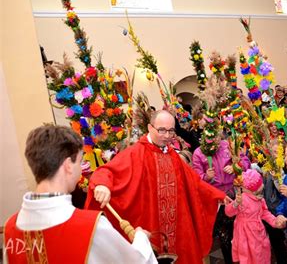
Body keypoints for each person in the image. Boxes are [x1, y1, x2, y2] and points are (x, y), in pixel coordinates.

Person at [85, 110, 229, 264]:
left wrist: (217, 194)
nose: (167, 136)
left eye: (171, 131)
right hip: (151, 227)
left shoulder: (173, 155)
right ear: (149, 127)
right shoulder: (136, 152)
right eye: (161, 130)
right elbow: (107, 171)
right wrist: (102, 184)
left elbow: (194, 182)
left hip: (179, 228)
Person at [3, 125, 156, 263]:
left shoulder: (11, 227)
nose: (81, 170)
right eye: (80, 162)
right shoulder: (91, 227)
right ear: (68, 166)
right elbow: (136, 261)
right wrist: (141, 238)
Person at [192, 132, 251, 264]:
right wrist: (206, 176)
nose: (215, 141)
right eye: (211, 137)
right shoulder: (198, 153)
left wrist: (236, 166)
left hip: (236, 193)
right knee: (225, 235)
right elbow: (195, 179)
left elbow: (246, 162)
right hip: (216, 198)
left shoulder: (229, 146)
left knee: (241, 230)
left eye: (217, 137)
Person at [224, 169, 287, 264]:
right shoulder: (242, 199)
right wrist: (236, 203)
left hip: (258, 233)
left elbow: (264, 213)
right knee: (249, 256)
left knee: (260, 254)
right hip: (245, 234)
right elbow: (228, 212)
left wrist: (275, 222)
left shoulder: (259, 199)